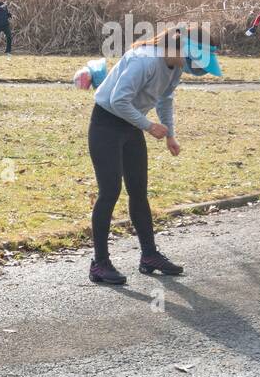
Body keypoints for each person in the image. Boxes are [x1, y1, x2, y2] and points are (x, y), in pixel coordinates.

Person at [86, 24, 214, 285]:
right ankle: (99, 263)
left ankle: (149, 255)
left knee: (139, 192)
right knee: (110, 192)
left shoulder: (174, 65)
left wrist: (169, 134)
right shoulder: (144, 61)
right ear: (181, 47)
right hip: (106, 124)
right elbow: (118, 101)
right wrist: (149, 126)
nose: (191, 66)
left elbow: (165, 98)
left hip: (131, 126)